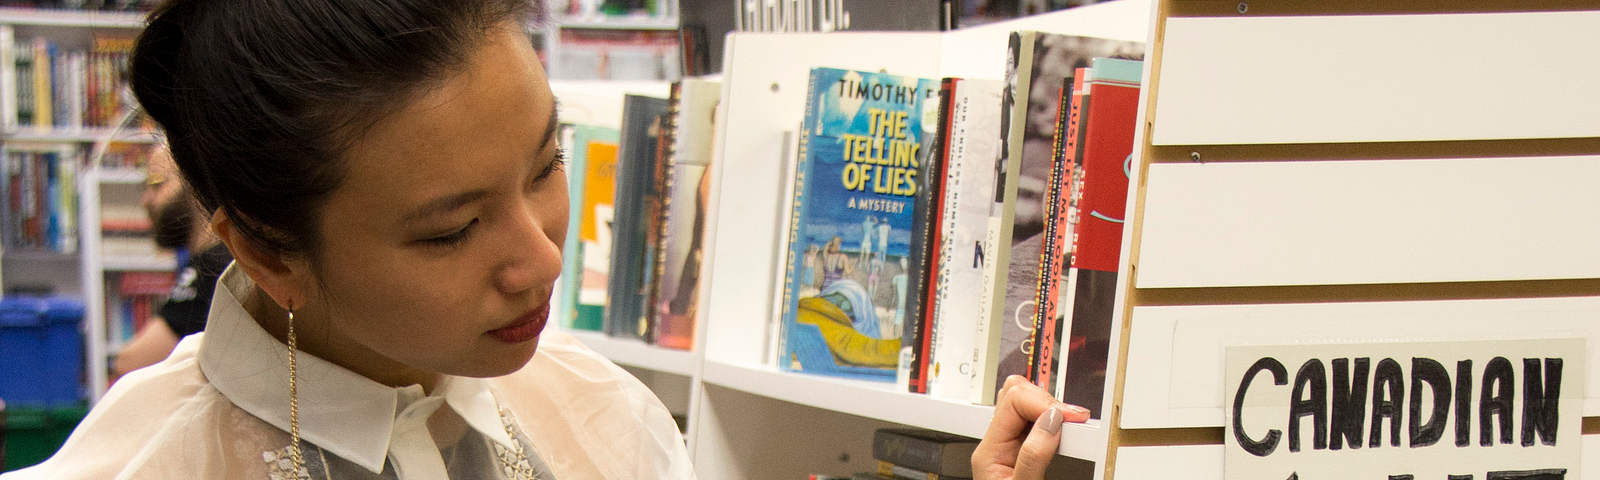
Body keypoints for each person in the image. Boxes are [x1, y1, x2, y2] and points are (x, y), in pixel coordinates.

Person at [0, 0, 1081, 478]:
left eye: (545, 167)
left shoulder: (592, 411)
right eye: (453, 230)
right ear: (272, 250)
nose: (540, 257)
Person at [110, 146, 232, 383]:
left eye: (157, 184)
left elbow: (130, 363)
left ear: (196, 183)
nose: (146, 200)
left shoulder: (211, 268)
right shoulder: (214, 259)